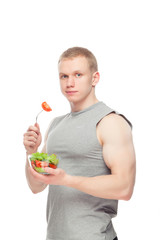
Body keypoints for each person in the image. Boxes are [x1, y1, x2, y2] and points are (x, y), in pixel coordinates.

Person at [23, 47, 136, 240]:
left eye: (78, 74)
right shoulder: (56, 124)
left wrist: (67, 179)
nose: (70, 83)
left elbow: (125, 188)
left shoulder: (110, 122)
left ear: (94, 78)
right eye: (64, 76)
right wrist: (32, 153)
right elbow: (36, 186)